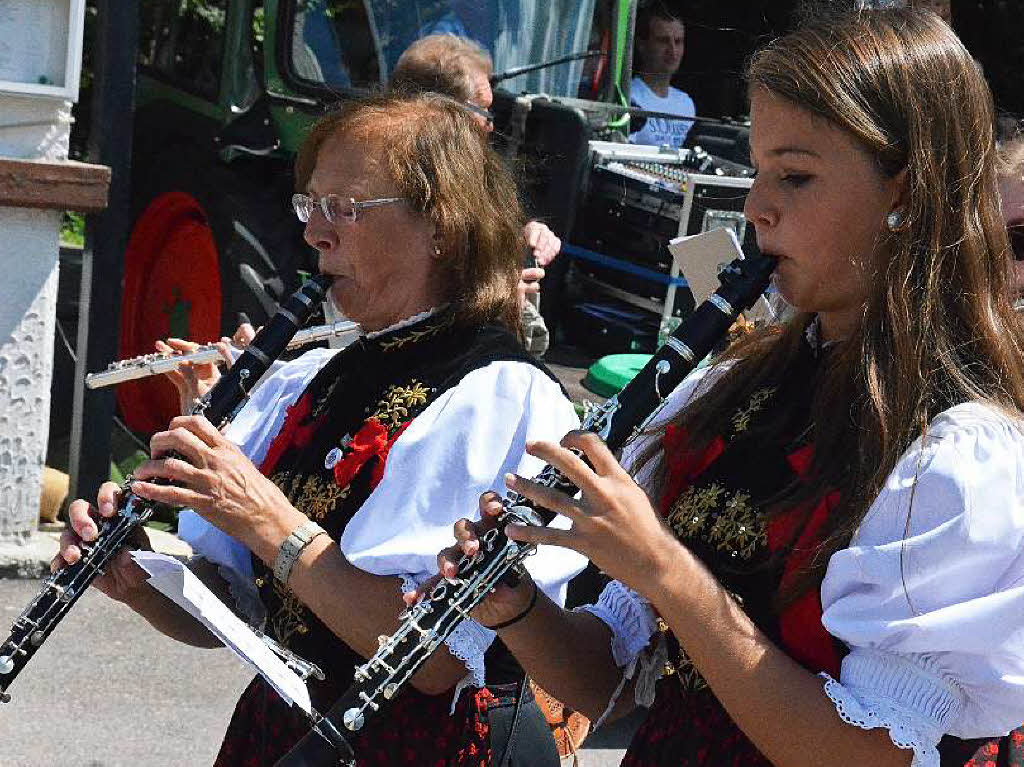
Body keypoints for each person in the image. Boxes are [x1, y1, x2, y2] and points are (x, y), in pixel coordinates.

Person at [420, 7, 1024, 766]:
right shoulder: (742, 388)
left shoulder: (960, 454)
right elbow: (613, 680)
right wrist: (516, 609)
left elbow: (871, 752)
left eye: (795, 176)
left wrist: (666, 570)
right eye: (759, 169)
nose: (755, 207)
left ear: (906, 188)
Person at [55, 92, 587, 766]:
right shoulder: (307, 380)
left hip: (427, 749)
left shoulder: (505, 398)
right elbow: (247, 615)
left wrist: (264, 516)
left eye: (347, 209)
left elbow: (433, 660)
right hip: (292, 731)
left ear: (442, 226)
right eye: (313, 206)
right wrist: (142, 576)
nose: (315, 233)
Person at [391, 33, 562, 356]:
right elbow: (409, 301)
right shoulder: (400, 185)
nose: (490, 125)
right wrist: (500, 293)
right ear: (441, 111)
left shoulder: (462, 175)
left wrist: (526, 235)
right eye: (482, 110)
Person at [628, 5, 696, 149]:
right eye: (663, 41)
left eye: (678, 41)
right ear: (642, 45)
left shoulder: (686, 104)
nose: (672, 50)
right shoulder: (629, 98)